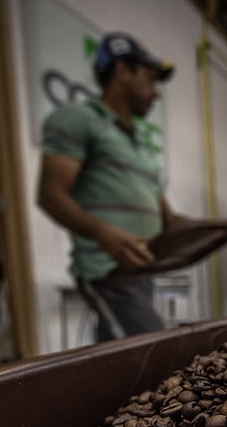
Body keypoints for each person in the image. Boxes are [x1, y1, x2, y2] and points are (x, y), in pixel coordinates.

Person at [36, 32, 183, 341]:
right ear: (122, 71)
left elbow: (169, 217)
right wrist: (102, 232)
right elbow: (50, 195)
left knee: (120, 355)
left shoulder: (142, 145)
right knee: (152, 351)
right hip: (108, 272)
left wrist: (220, 230)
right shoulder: (78, 120)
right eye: (150, 79)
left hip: (143, 269)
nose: (155, 93)